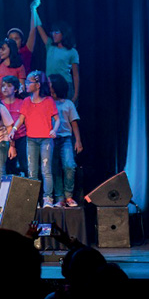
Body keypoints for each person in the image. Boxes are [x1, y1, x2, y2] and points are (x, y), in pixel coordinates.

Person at [11, 70, 61, 208]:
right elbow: (21, 119)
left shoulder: (48, 101)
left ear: (38, 85)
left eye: (29, 82)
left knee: (46, 170)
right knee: (32, 170)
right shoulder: (26, 101)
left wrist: (54, 130)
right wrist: (13, 130)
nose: (26, 84)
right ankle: (33, 199)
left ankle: (48, 198)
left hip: (45, 140)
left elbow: (57, 119)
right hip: (31, 140)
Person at [49, 73, 83, 207]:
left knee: (69, 165)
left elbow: (74, 123)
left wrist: (78, 141)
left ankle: (69, 196)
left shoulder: (68, 103)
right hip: (51, 140)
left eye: (51, 84)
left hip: (65, 139)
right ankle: (60, 197)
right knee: (54, 168)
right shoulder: (47, 102)